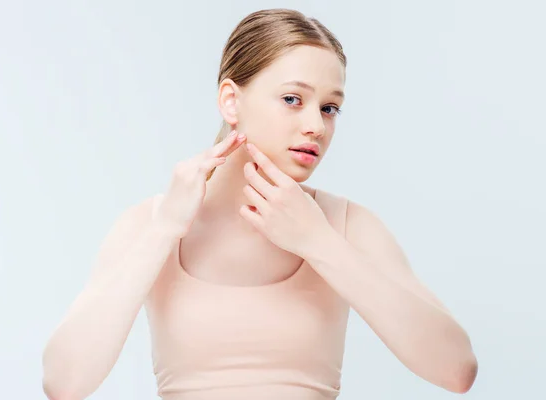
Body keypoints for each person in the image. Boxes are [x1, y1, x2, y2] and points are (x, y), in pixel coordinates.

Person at [41, 8, 478, 400]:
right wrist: (163, 230)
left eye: (330, 108)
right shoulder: (149, 223)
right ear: (231, 101)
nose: (316, 126)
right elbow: (64, 383)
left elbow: (455, 370)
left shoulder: (346, 226)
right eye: (293, 99)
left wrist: (318, 242)